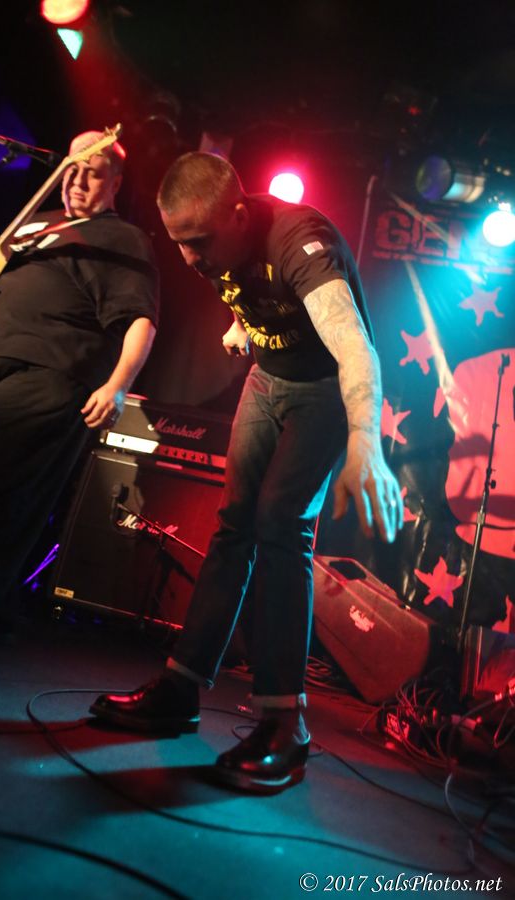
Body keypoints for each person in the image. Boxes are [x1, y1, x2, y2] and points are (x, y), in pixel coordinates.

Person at [89, 151, 403, 794]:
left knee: (280, 526)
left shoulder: (301, 243)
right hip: (267, 380)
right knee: (233, 526)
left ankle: (285, 724)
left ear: (237, 214)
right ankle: (180, 688)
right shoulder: (215, 244)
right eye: (179, 243)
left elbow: (354, 346)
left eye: (200, 242)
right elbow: (245, 285)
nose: (190, 259)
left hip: (323, 392)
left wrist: (365, 444)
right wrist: (243, 326)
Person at [0, 130, 159, 648]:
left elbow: (141, 319)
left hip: (47, 371)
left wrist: (118, 386)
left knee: (3, 496)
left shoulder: (122, 239)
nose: (77, 182)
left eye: (92, 173)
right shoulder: (34, 221)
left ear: (116, 182)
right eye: (71, 169)